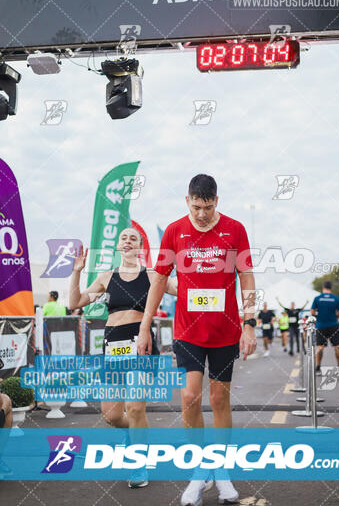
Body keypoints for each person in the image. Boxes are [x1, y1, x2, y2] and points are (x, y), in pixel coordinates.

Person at [137, 174, 256, 506]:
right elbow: (159, 281)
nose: (201, 214)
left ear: (217, 201)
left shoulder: (235, 229)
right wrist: (145, 326)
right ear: (186, 200)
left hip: (224, 329)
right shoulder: (176, 231)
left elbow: (246, 277)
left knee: (219, 398)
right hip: (187, 330)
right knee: (189, 397)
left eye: (207, 207)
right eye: (195, 206)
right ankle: (199, 470)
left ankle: (221, 469)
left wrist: (250, 323)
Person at [69, 227, 177, 488]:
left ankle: (139, 463)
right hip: (113, 346)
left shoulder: (153, 276)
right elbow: (75, 302)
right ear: (118, 246)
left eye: (134, 238)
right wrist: (77, 271)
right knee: (112, 415)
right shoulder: (107, 277)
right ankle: (137, 434)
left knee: (135, 406)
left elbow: (183, 289)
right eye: (124, 238)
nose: (128, 241)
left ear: (141, 247)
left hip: (140, 342)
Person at [310, 281, 339, 375]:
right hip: (333, 325)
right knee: (337, 347)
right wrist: (333, 314)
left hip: (321, 325)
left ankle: (318, 367)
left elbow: (312, 312)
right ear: (331, 288)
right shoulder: (335, 298)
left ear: (323, 287)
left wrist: (319, 314)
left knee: (320, 347)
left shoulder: (317, 298)